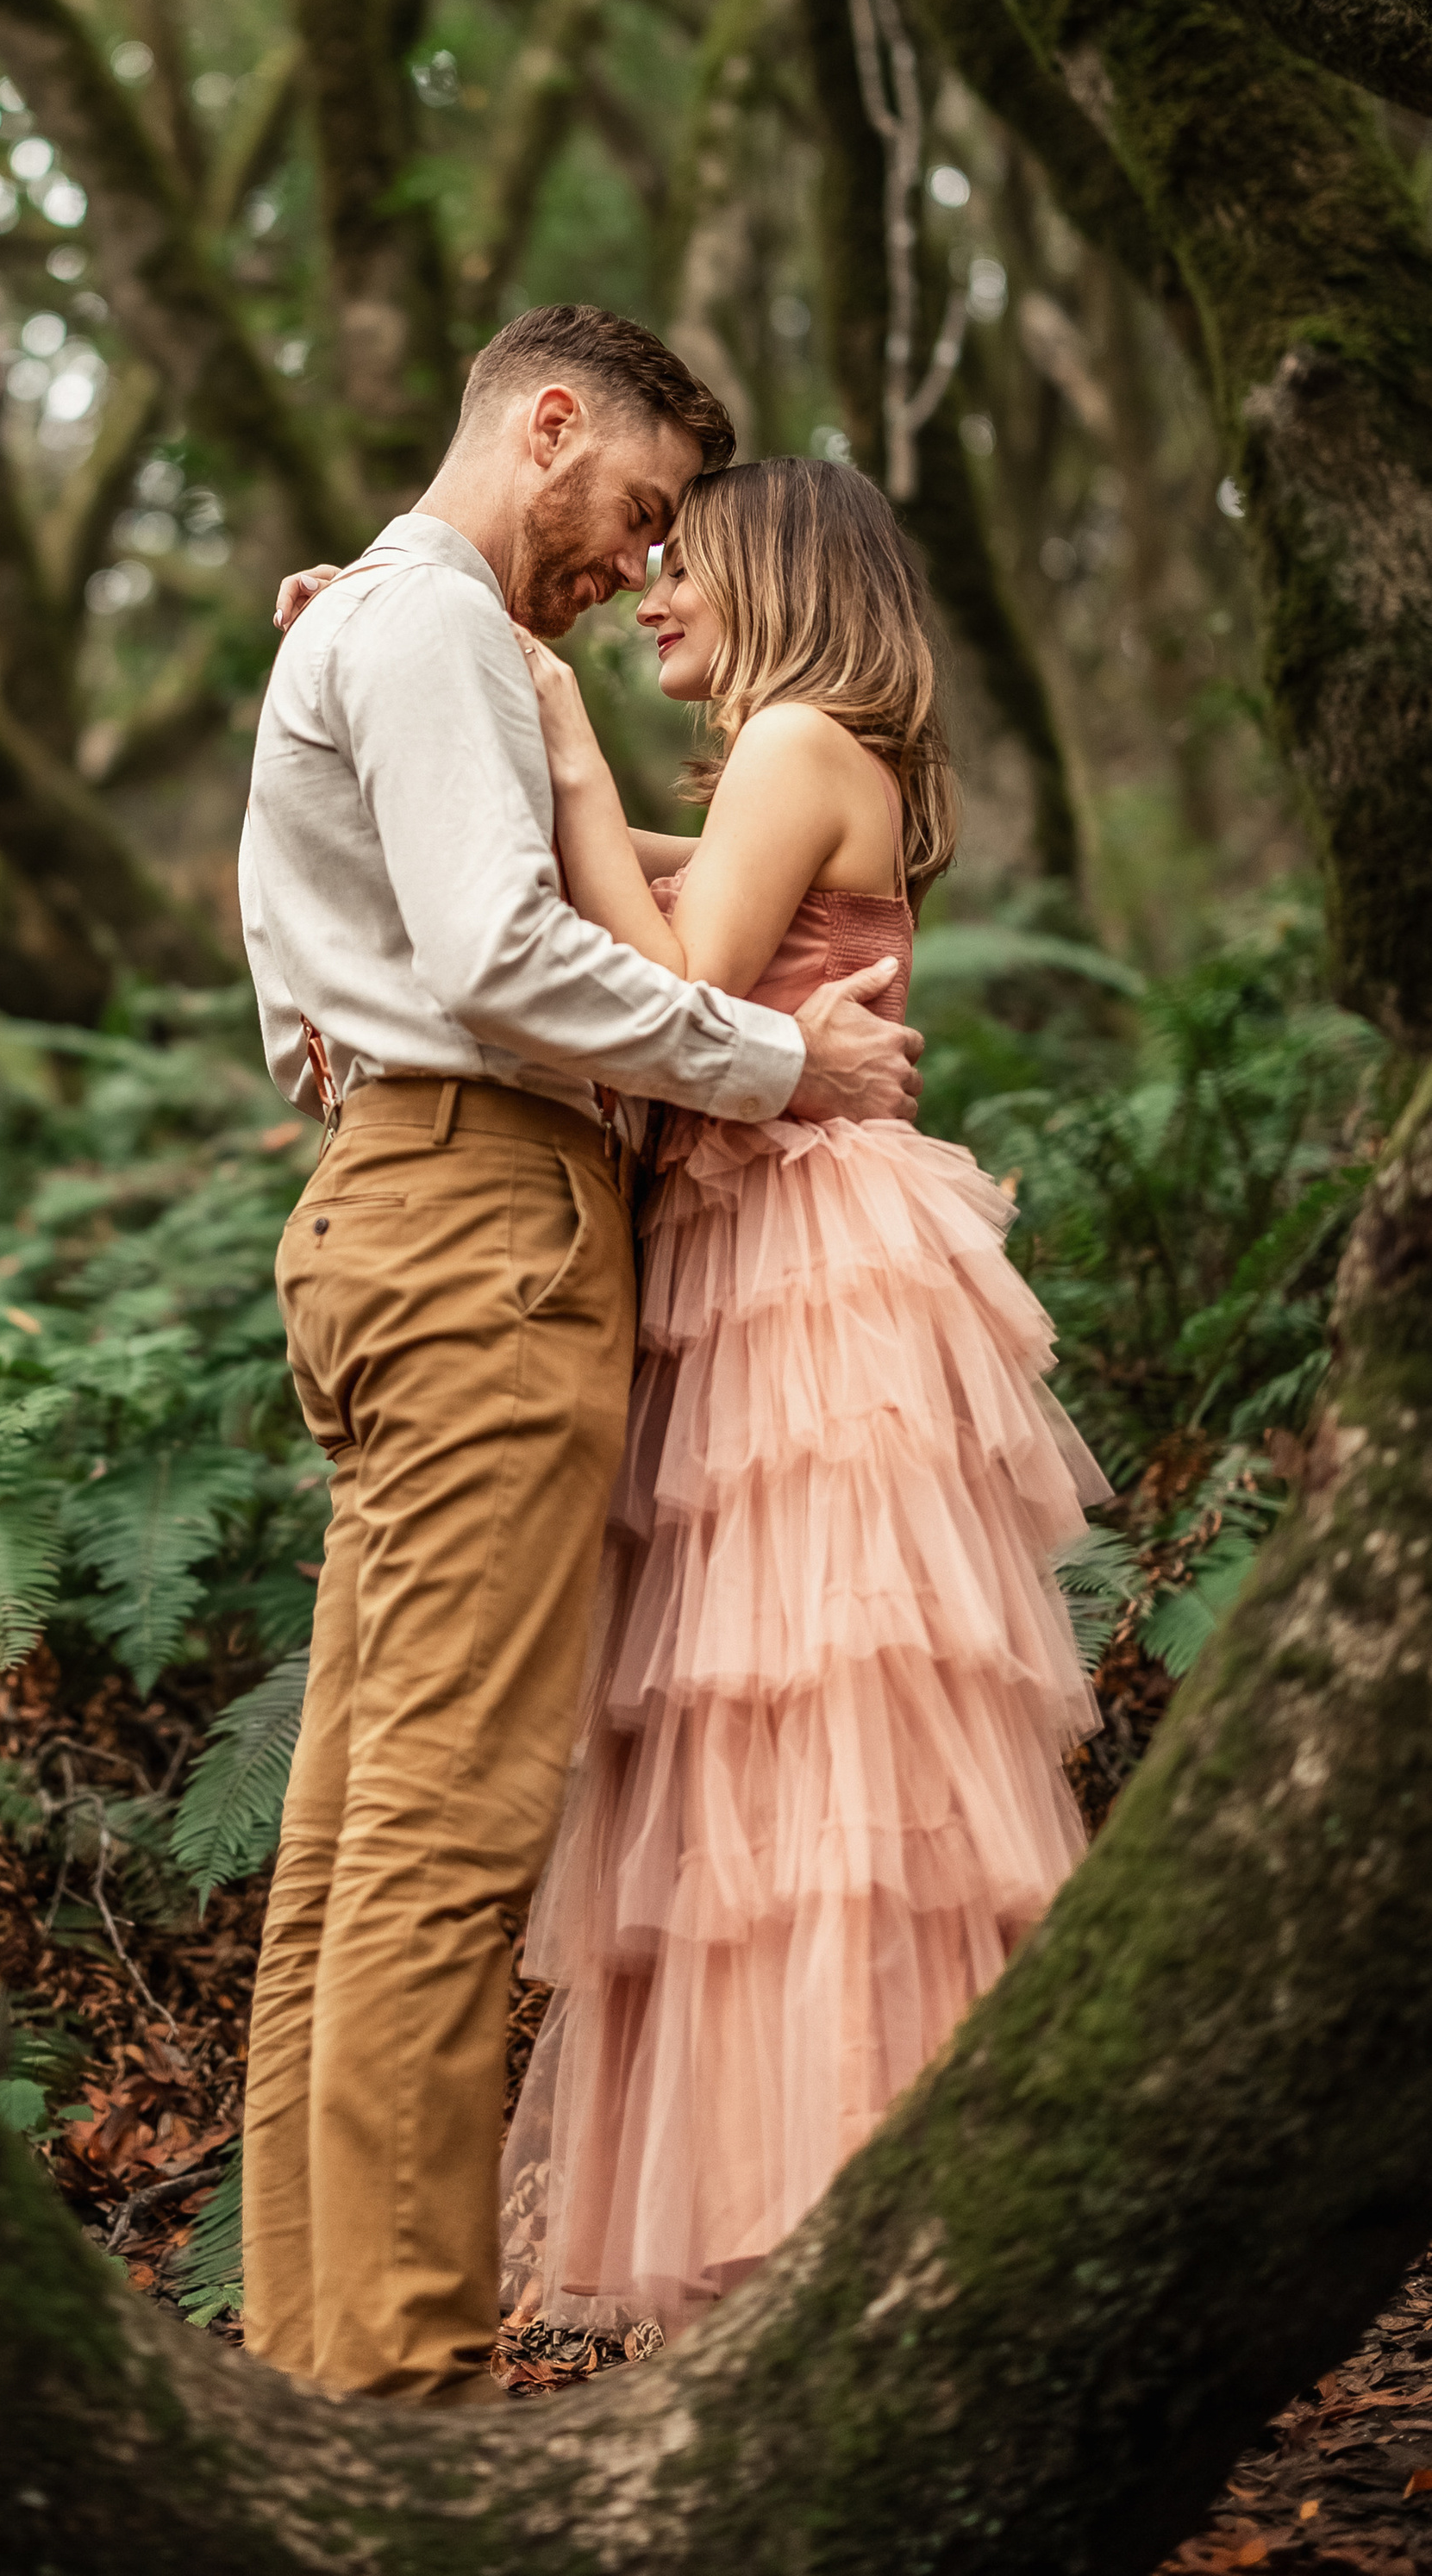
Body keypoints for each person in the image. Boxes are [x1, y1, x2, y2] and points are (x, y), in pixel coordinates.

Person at [237, 309, 922, 2409]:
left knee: (349, 1851)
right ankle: (405, 2404)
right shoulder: (422, 625)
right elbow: (498, 955)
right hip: (479, 1223)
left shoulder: (366, 624)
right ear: (547, 427)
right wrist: (772, 1056)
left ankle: (306, 2383)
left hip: (384, 1201)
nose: (632, 569)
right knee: (438, 1846)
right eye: (632, 510)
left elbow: (398, 953)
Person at [498, 453, 1106, 2340]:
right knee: (814, 1741)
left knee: (802, 1736)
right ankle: (877, 2211)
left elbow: (670, 982)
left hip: (791, 1261)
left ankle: (828, 2226)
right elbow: (694, 912)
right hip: (797, 1239)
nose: (650, 594)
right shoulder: (828, 755)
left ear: (774, 575)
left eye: (680, 567)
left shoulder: (786, 744)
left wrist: (570, 763)